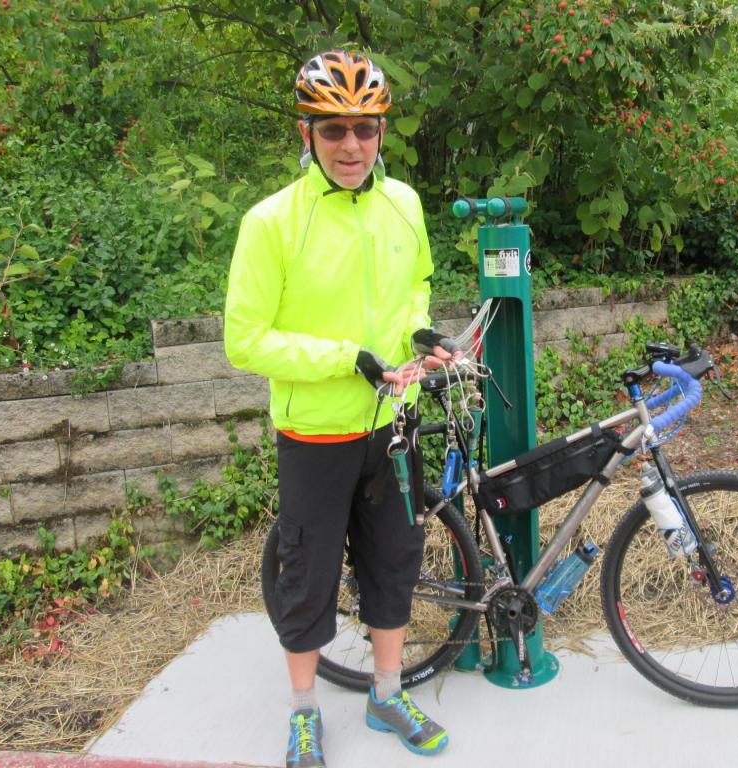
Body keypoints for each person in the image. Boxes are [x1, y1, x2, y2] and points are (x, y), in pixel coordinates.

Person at [224, 49, 461, 768]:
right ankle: (303, 711)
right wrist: (345, 357)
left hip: (392, 424)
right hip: (314, 433)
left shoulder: (405, 204)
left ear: (382, 131)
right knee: (308, 573)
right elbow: (244, 340)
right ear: (307, 134)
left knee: (394, 561)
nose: (351, 145)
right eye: (333, 130)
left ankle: (387, 695)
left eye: (364, 128)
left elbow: (417, 284)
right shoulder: (271, 222)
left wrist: (419, 333)